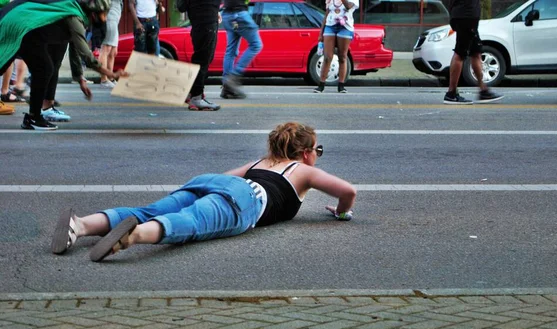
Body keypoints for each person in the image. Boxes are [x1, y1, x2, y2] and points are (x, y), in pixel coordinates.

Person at [51, 122, 357, 262]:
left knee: (151, 209)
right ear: (304, 153)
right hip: (247, 198)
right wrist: (342, 212)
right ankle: (134, 236)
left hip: (213, 182)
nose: (318, 154)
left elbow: (224, 179)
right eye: (317, 149)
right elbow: (348, 191)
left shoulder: (261, 161)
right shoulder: (304, 171)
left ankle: (81, 225)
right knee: (193, 222)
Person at [0, 0, 129, 130]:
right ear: (94, 14)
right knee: (39, 68)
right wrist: (111, 73)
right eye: (104, 14)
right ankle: (34, 118)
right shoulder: (74, 17)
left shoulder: (77, 14)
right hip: (19, 24)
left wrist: (79, 78)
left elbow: (75, 48)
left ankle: (33, 117)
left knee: (44, 68)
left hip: (29, 32)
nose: (105, 18)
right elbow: (86, 55)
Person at [443, 0, 503, 105]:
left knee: (476, 52)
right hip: (466, 16)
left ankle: (483, 91)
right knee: (460, 53)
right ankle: (451, 94)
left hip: (466, 16)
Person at [183, 0, 221, 111]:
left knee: (201, 58)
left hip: (199, 25)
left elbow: (181, 6)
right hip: (206, 24)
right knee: (203, 60)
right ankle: (196, 97)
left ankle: (193, 93)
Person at [220, 0, 263, 99]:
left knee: (231, 51)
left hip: (227, 15)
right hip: (238, 15)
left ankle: (226, 86)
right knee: (256, 45)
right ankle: (233, 77)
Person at [314, 0, 358, 94]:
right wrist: (321, 32)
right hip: (330, 26)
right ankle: (321, 85)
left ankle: (341, 85)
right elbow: (327, 14)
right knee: (327, 57)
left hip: (345, 27)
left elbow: (348, 6)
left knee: (342, 57)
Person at [98, 0, 123, 89]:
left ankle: (110, 77)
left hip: (115, 17)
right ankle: (104, 79)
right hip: (110, 16)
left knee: (113, 51)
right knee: (106, 48)